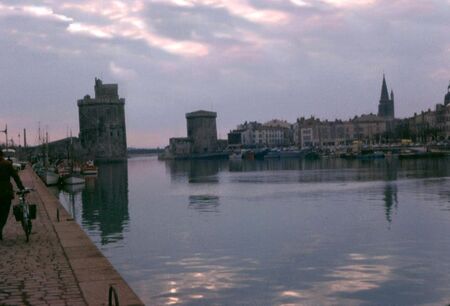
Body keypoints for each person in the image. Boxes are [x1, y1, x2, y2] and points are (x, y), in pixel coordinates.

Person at [0, 150, 24, 240]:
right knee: (4, 212)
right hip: (5, 192)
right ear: (2, 155)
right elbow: (15, 176)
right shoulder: (7, 164)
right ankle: (0, 227)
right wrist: (21, 187)